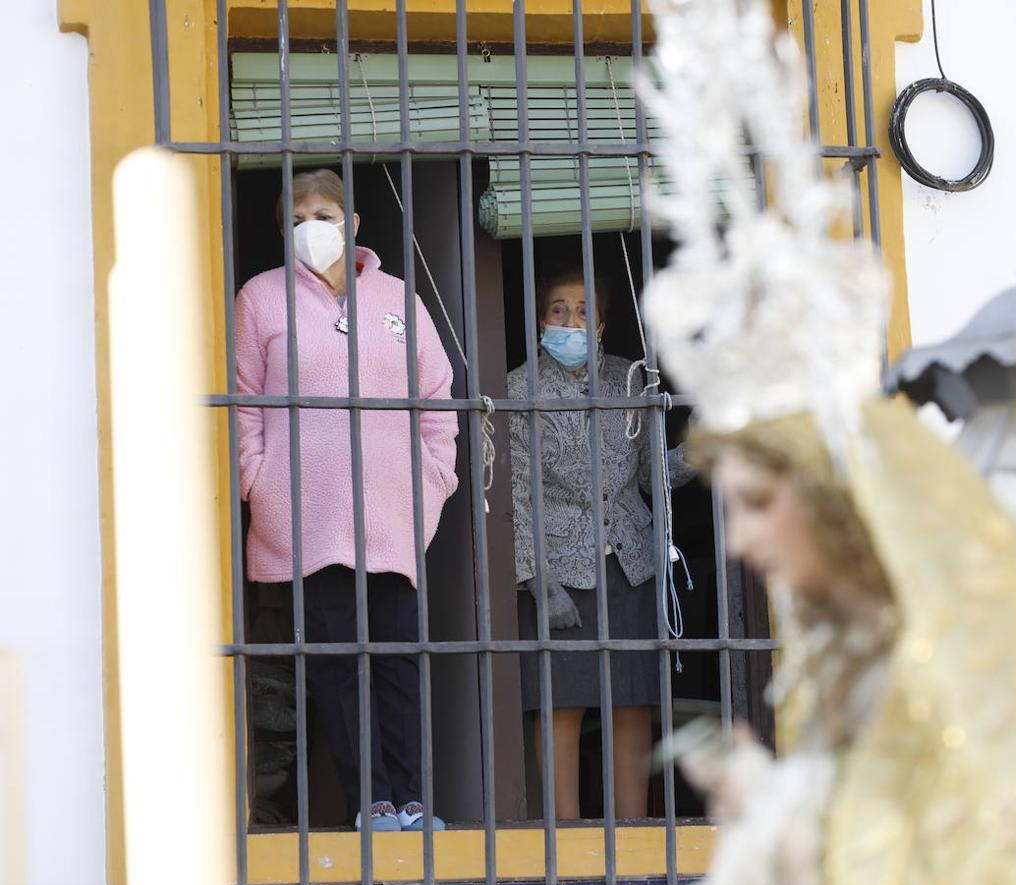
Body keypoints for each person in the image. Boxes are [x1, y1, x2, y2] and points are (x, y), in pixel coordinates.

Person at [674, 401, 1016, 885]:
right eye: (730, 511)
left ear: (834, 496)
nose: (738, 541)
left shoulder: (951, 661)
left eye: (759, 503)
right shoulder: (839, 657)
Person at [234, 169, 459, 833]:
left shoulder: (398, 299)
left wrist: (433, 483)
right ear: (283, 228)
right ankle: (373, 804)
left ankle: (414, 803)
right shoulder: (261, 299)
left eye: (326, 213)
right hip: (304, 519)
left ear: (353, 223)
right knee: (338, 672)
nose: (314, 227)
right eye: (299, 215)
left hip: (393, 516)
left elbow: (437, 400)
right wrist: (259, 482)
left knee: (397, 667)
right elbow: (242, 404)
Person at [507, 267, 694, 820]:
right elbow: (514, 495)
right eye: (558, 309)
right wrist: (537, 580)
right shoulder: (519, 389)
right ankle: (565, 837)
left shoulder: (631, 381)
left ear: (605, 322)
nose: (571, 321)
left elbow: (649, 475)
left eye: (585, 310)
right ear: (541, 319)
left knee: (632, 703)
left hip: (630, 563)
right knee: (560, 705)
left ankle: (633, 833)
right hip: (560, 571)